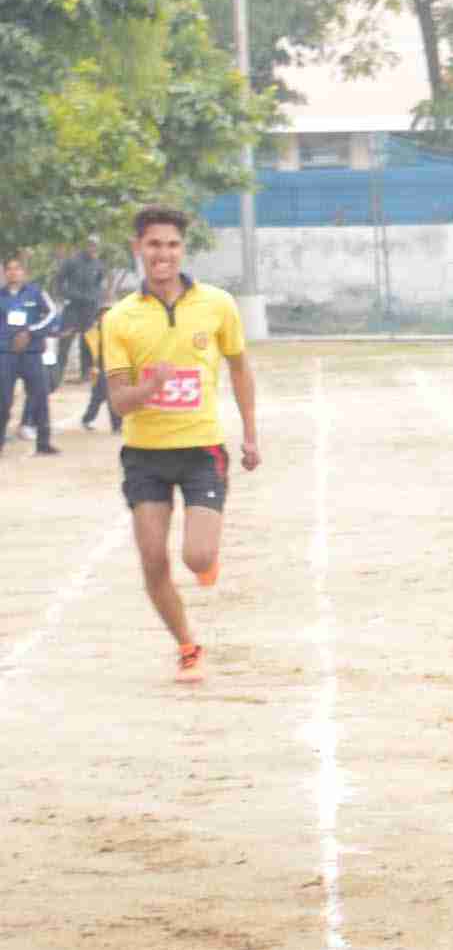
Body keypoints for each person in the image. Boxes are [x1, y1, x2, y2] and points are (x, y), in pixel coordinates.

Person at [99, 207, 262, 680]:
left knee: (197, 557)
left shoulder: (217, 304)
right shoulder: (120, 319)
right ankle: (188, 646)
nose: (163, 254)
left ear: (182, 249)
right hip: (144, 455)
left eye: (171, 245)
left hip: (201, 450)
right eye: (154, 245)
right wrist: (149, 389)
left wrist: (250, 434)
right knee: (153, 559)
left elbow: (239, 368)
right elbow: (120, 402)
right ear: (138, 248)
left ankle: (207, 561)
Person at [1, 255, 61, 456]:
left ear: (24, 272)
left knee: (39, 396)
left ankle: (43, 443)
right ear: (4, 272)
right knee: (3, 399)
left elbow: (52, 314)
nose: (13, 272)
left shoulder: (36, 293)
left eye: (17, 268)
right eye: (9, 268)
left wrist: (31, 332)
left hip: (32, 353)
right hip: (6, 354)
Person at [53, 235, 106, 385]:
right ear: (85, 246)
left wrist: (95, 300)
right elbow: (58, 280)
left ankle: (84, 375)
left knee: (87, 343)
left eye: (95, 246)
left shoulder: (99, 265)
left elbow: (99, 284)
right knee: (65, 341)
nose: (92, 248)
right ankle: (57, 377)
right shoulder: (72, 262)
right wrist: (66, 296)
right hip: (72, 308)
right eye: (90, 245)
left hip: (89, 309)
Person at [78, 304, 120, 434]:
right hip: (99, 368)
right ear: (99, 318)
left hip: (115, 367)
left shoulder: (119, 332)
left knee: (98, 396)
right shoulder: (90, 334)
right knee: (109, 395)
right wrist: (87, 369)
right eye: (104, 316)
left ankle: (87, 419)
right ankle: (116, 425)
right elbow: (84, 354)